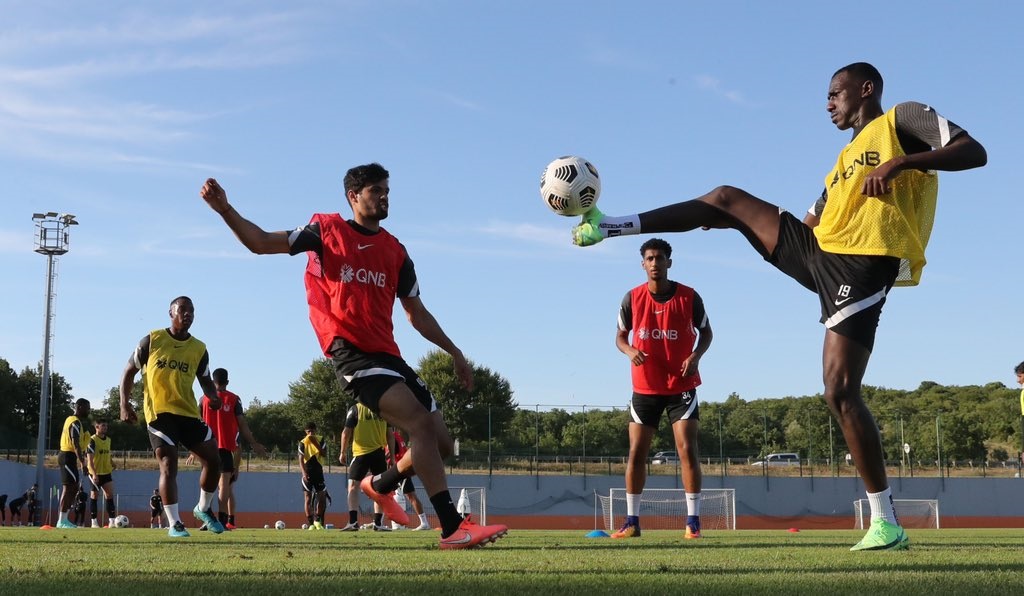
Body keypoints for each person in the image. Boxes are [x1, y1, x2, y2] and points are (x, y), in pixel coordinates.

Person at [571, 62, 987, 551]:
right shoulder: (842, 163)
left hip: (864, 263)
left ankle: (885, 522)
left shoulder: (902, 119)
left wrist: (899, 164)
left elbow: (973, 151)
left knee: (839, 390)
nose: (828, 103)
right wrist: (734, 221)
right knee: (725, 199)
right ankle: (610, 225)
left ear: (866, 88)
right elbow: (808, 223)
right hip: (822, 250)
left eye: (835, 93)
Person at [200, 163, 508, 549]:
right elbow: (261, 242)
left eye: (386, 191)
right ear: (353, 196)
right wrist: (225, 209)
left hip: (389, 355)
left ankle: (380, 484)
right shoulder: (326, 231)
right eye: (375, 190)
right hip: (351, 353)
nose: (384, 197)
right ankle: (452, 528)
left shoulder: (396, 251)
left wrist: (454, 351)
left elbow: (416, 312)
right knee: (420, 425)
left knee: (441, 443)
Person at [610, 238, 712, 540]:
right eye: (649, 258)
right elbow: (619, 336)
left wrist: (695, 355)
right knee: (636, 453)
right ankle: (632, 522)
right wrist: (629, 351)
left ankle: (693, 522)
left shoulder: (689, 297)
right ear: (643, 264)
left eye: (660, 258)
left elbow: (706, 332)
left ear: (670, 262)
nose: (655, 263)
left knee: (686, 450)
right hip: (645, 387)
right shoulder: (632, 298)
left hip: (681, 385)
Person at [120, 295, 226, 538]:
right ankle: (175, 523)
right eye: (182, 310)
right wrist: (124, 404)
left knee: (213, 458)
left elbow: (206, 380)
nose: (187, 314)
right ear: (171, 313)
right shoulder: (152, 340)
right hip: (159, 413)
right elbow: (128, 372)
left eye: (192, 311)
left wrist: (213, 396)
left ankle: (203, 508)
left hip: (187, 412)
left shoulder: (199, 348)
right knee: (169, 463)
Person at [198, 367, 267, 530]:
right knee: (224, 486)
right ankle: (222, 521)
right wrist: (254, 443)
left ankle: (207, 518)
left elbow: (198, 422)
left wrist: (195, 449)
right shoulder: (234, 399)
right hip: (224, 448)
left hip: (207, 447)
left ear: (212, 381)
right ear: (227, 382)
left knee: (207, 486)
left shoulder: (203, 399)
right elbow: (242, 425)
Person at [339, 403, 394, 532]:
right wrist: (392, 456)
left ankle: (353, 522)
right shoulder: (384, 409)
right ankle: (378, 523)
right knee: (381, 490)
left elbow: (346, 432)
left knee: (353, 487)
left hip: (361, 454)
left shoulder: (355, 409)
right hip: (379, 454)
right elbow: (390, 434)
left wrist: (342, 451)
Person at [387, 427, 431, 531]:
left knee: (410, 496)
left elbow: (390, 455)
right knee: (385, 494)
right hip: (400, 469)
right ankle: (378, 521)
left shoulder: (392, 438)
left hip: (399, 470)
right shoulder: (398, 436)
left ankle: (424, 522)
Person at [55, 398, 90, 529]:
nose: (89, 410)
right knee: (69, 487)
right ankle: (61, 521)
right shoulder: (75, 422)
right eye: (87, 407)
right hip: (67, 456)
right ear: (80, 407)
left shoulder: (72, 420)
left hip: (69, 457)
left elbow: (78, 443)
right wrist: (83, 463)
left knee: (74, 487)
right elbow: (75, 444)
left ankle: (64, 520)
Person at [87, 419, 118, 528]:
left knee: (109, 495)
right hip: (95, 473)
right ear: (97, 427)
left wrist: (112, 463)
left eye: (106, 426)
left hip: (106, 472)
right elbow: (89, 460)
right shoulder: (92, 440)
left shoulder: (108, 440)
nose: (105, 428)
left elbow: (107, 454)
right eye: (103, 426)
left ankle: (112, 521)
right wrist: (94, 474)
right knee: (94, 495)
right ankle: (94, 522)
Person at [299, 422, 329, 530]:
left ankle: (317, 520)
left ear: (315, 431)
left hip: (318, 472)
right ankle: (311, 523)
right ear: (305, 432)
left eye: (312, 431)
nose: (311, 433)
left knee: (321, 497)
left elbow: (324, 454)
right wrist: (304, 473)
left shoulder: (320, 439)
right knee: (307, 498)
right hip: (307, 472)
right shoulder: (302, 443)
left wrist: (315, 443)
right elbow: (301, 460)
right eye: (308, 431)